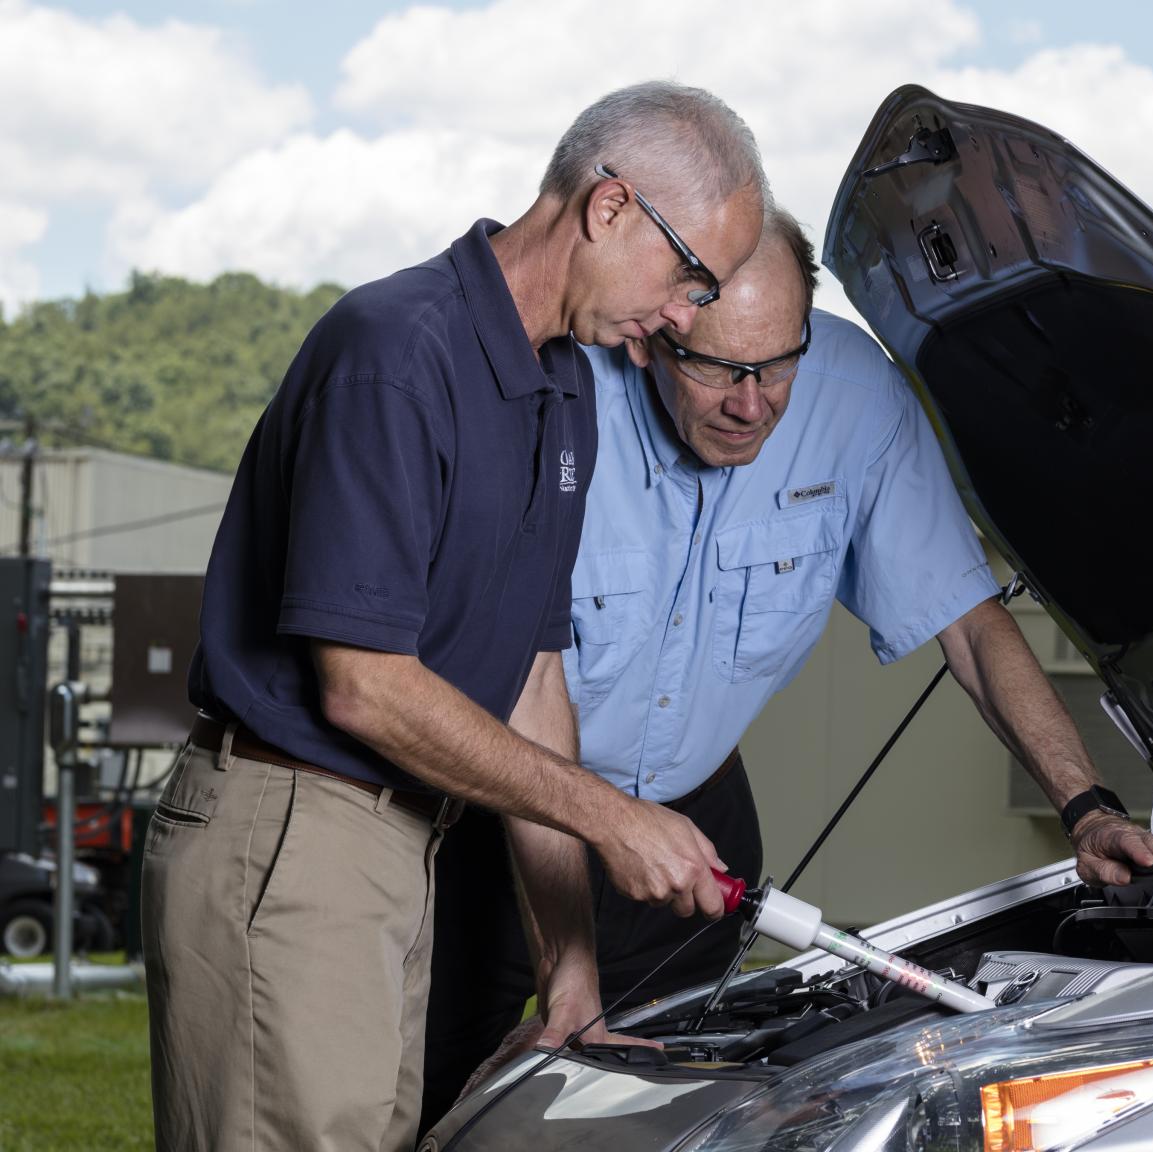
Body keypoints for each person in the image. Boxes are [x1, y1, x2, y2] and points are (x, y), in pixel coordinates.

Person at [421, 207, 1153, 1121]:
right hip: (494, 817)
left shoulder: (857, 402)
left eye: (780, 363)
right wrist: (567, 968)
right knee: (427, 1103)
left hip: (690, 841)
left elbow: (970, 625)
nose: (753, 403)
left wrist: (1086, 807)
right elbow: (507, 687)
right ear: (654, 335)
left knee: (669, 1120)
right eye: (719, 368)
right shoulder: (560, 396)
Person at [141, 81, 766, 1152]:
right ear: (610, 207)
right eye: (689, 274)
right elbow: (364, 683)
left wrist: (572, 977)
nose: (683, 315)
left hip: (400, 849)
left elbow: (532, 680)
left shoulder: (563, 386)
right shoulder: (394, 353)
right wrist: (611, 817)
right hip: (290, 833)